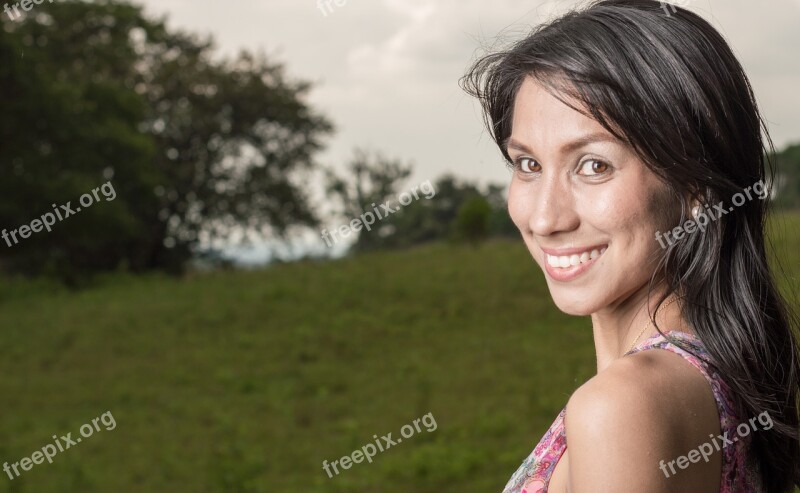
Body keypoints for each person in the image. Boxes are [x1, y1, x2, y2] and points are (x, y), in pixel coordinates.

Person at [460, 1, 800, 491]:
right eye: (527, 164)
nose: (545, 218)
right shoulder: (716, 380)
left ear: (694, 190)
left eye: (593, 165)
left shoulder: (622, 406)